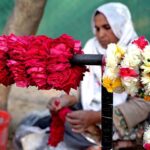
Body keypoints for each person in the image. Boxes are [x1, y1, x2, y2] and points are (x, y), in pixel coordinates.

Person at [47, 2, 150, 149]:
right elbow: (84, 91)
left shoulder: (139, 53)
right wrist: (65, 100)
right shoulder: (90, 48)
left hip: (126, 126)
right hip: (92, 119)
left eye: (107, 27)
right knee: (63, 121)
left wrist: (96, 116)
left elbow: (144, 104)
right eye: (97, 28)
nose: (100, 34)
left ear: (121, 26)